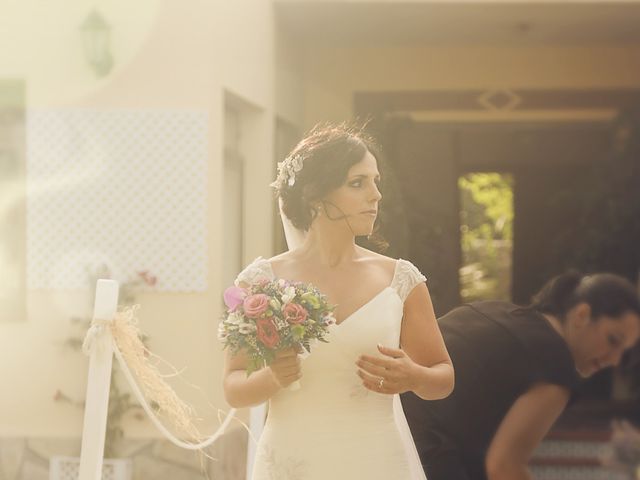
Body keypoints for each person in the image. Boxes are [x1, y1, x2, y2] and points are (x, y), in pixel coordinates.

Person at [222, 123, 454, 479]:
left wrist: (414, 376)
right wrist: (272, 377)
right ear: (315, 193)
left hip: (377, 460)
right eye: (358, 183)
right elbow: (234, 388)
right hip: (292, 461)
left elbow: (443, 377)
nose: (375, 195)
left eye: (376, 182)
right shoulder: (261, 283)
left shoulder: (400, 279)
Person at [401, 271, 640, 480]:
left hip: (383, 424)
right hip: (423, 454)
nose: (615, 359)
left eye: (624, 352)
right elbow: (504, 468)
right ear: (581, 315)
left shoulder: (494, 309)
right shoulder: (555, 365)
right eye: (613, 340)